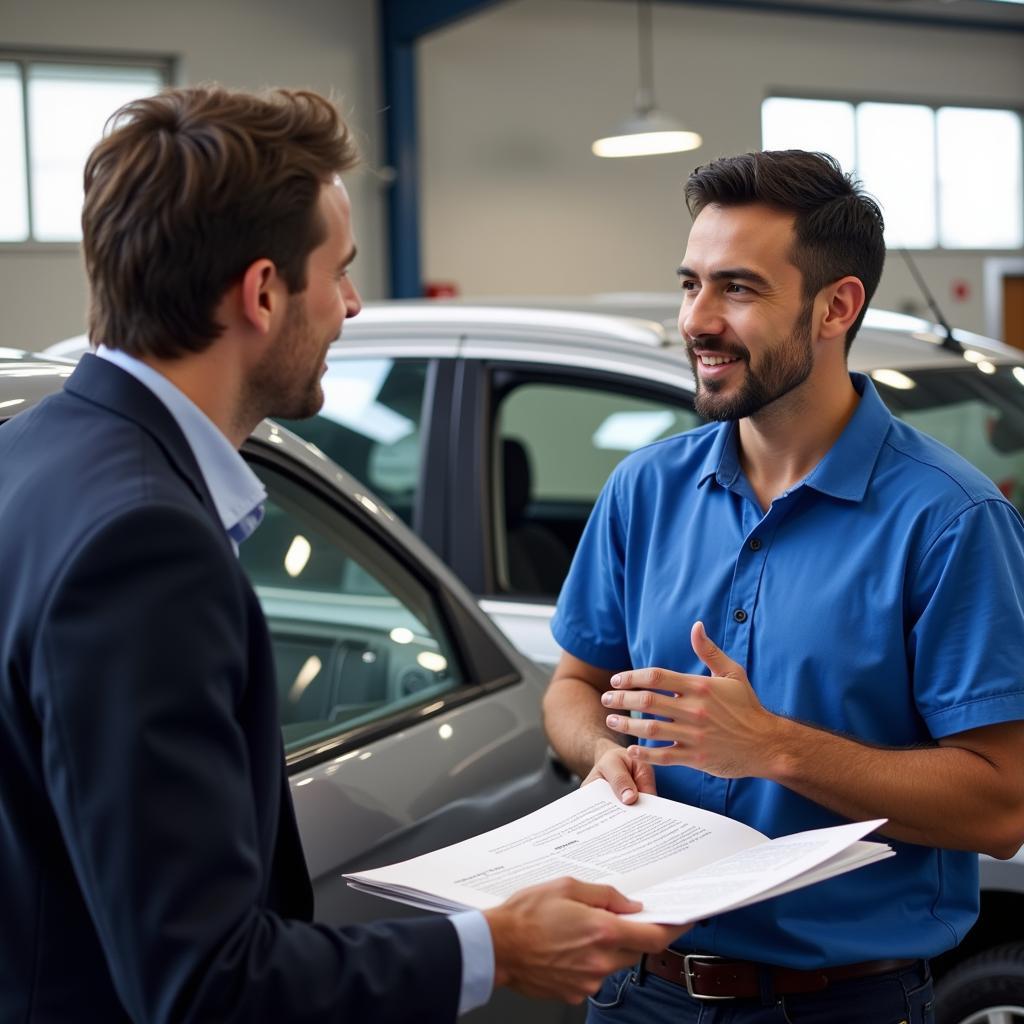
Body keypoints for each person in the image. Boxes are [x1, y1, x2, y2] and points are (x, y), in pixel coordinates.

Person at [0, 86, 683, 1024]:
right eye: (341, 271)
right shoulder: (143, 544)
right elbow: (204, 984)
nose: (353, 306)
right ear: (264, 292)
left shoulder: (29, 454)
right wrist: (499, 947)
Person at [544, 149, 1024, 1023]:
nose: (697, 319)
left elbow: (1000, 808)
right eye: (690, 284)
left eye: (737, 289)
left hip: (841, 1003)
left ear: (836, 306)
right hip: (634, 993)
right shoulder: (644, 489)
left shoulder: (950, 521)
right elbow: (573, 686)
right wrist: (598, 754)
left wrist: (776, 749)